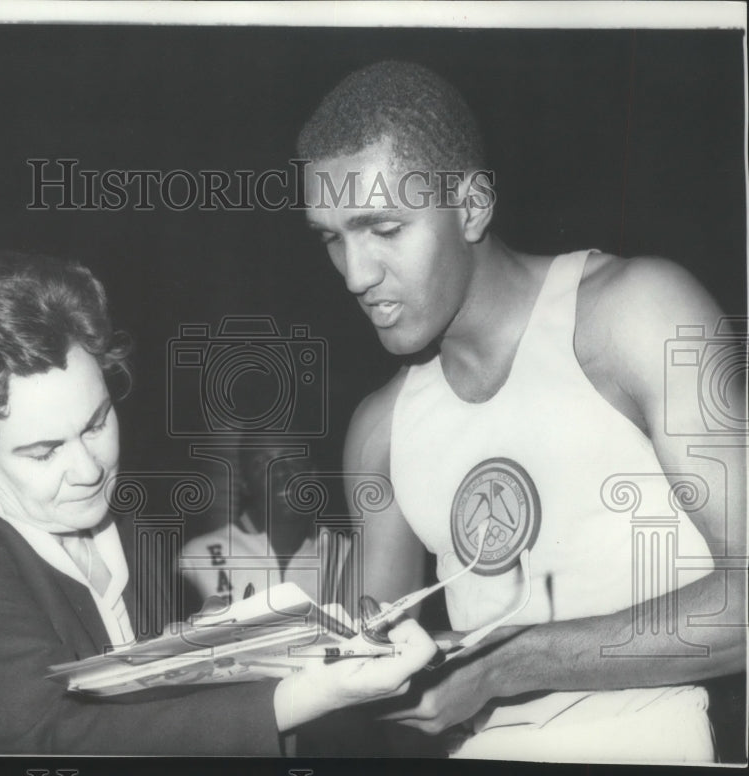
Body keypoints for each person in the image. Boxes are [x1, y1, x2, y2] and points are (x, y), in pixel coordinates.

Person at [297, 61, 746, 762]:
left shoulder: (635, 314)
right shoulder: (380, 429)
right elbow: (363, 683)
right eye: (331, 237)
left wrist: (507, 663)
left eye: (382, 227)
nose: (356, 274)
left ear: (472, 206)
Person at [0, 251, 438, 755]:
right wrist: (308, 693)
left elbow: (149, 710)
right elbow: (53, 737)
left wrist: (251, 652)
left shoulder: (123, 523)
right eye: (44, 452)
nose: (89, 470)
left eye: (95, 424)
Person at [180, 441, 322, 609]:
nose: (281, 472)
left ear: (313, 472)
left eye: (292, 457)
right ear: (245, 484)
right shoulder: (198, 558)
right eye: (262, 463)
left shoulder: (345, 555)